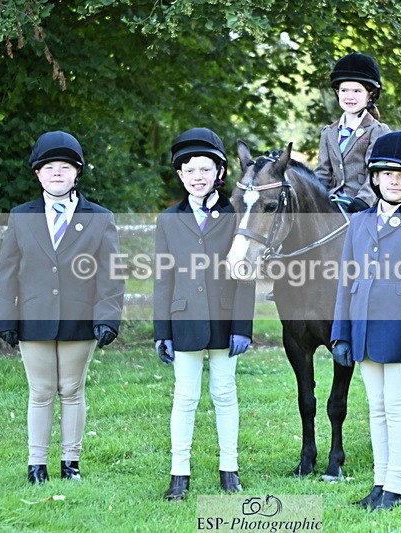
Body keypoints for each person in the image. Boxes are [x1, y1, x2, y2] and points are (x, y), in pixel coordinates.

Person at [0, 131, 124, 485]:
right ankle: (37, 464)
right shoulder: (21, 216)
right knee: (41, 390)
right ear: (38, 174)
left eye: (65, 167)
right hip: (33, 316)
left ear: (76, 173)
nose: (57, 174)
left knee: (71, 389)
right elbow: (6, 271)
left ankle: (71, 462)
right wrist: (4, 315)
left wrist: (108, 316)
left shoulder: (100, 217)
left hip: (80, 317)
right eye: (49, 168)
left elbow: (111, 273)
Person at [330, 131, 401, 509]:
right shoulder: (359, 223)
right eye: (386, 174)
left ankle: (397, 486)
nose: (393, 180)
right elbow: (347, 282)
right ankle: (379, 482)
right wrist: (341, 335)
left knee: (397, 409)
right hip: (363, 331)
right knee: (376, 409)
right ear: (375, 178)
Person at [153, 128, 255, 502]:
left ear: (219, 174)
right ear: (180, 176)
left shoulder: (235, 214)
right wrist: (161, 330)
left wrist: (243, 326)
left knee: (225, 393)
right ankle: (179, 473)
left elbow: (246, 272)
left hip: (226, 320)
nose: (198, 177)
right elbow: (163, 279)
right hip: (183, 320)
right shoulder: (168, 220)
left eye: (205, 170)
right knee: (185, 396)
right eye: (190, 170)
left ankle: (229, 469)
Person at [315, 52, 391, 213]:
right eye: (344, 91)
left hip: (364, 205)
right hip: (333, 204)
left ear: (370, 94)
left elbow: (377, 172)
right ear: (337, 92)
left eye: (357, 91)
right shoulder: (328, 133)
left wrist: (363, 199)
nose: (349, 96)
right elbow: (323, 174)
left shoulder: (377, 131)